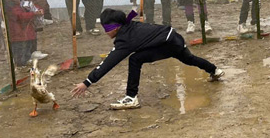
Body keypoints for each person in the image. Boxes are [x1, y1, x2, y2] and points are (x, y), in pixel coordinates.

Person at [70, 8, 224, 110]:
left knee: (135, 59)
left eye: (107, 28)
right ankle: (215, 70)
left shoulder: (124, 40)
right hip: (174, 36)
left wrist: (87, 82)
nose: (106, 32)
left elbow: (109, 62)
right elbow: (130, 14)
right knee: (189, 59)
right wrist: (134, 11)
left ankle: (131, 98)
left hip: (167, 43)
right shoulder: (127, 24)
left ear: (116, 27)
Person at [6, 0, 47, 65]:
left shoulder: (23, 2)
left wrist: (38, 10)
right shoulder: (10, 6)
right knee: (19, 49)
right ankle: (21, 63)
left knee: (27, 46)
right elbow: (20, 16)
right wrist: (33, 14)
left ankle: (28, 59)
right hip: (17, 33)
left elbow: (33, 7)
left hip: (26, 31)